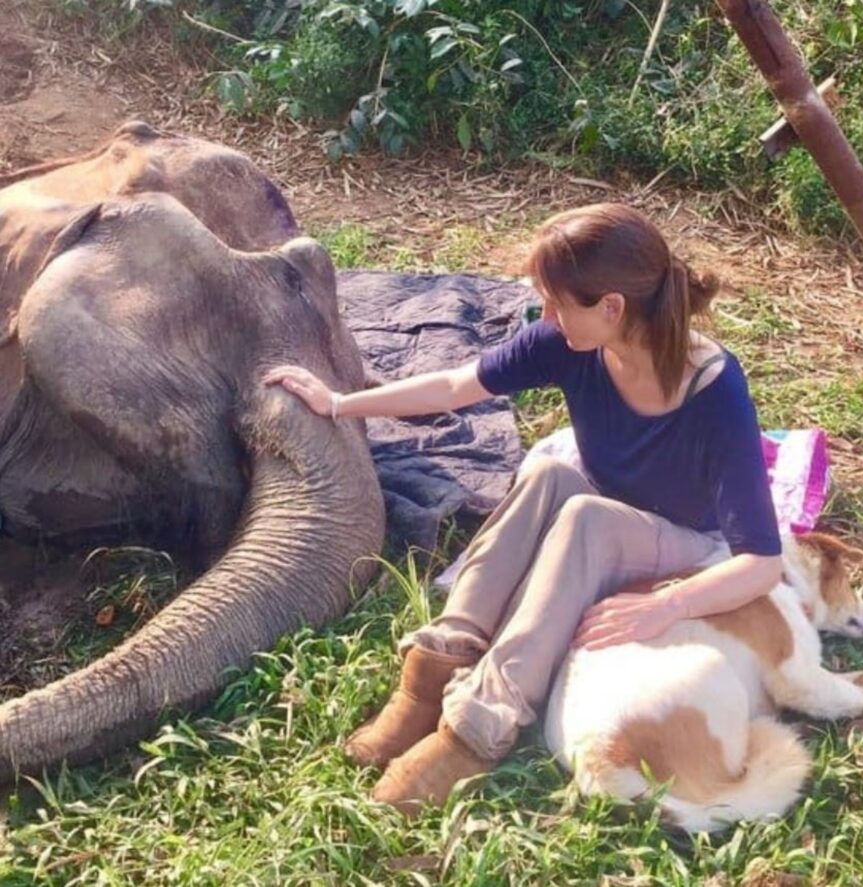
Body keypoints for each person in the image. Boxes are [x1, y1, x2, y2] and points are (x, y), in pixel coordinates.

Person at [264, 203, 782, 816]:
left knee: (586, 517)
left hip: (688, 546)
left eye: (559, 303)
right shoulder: (571, 343)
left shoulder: (714, 388)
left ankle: (478, 726)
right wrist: (339, 403)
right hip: (606, 509)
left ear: (611, 307)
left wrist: (665, 605)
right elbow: (458, 386)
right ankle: (434, 669)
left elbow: (761, 562)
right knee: (547, 474)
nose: (547, 315)